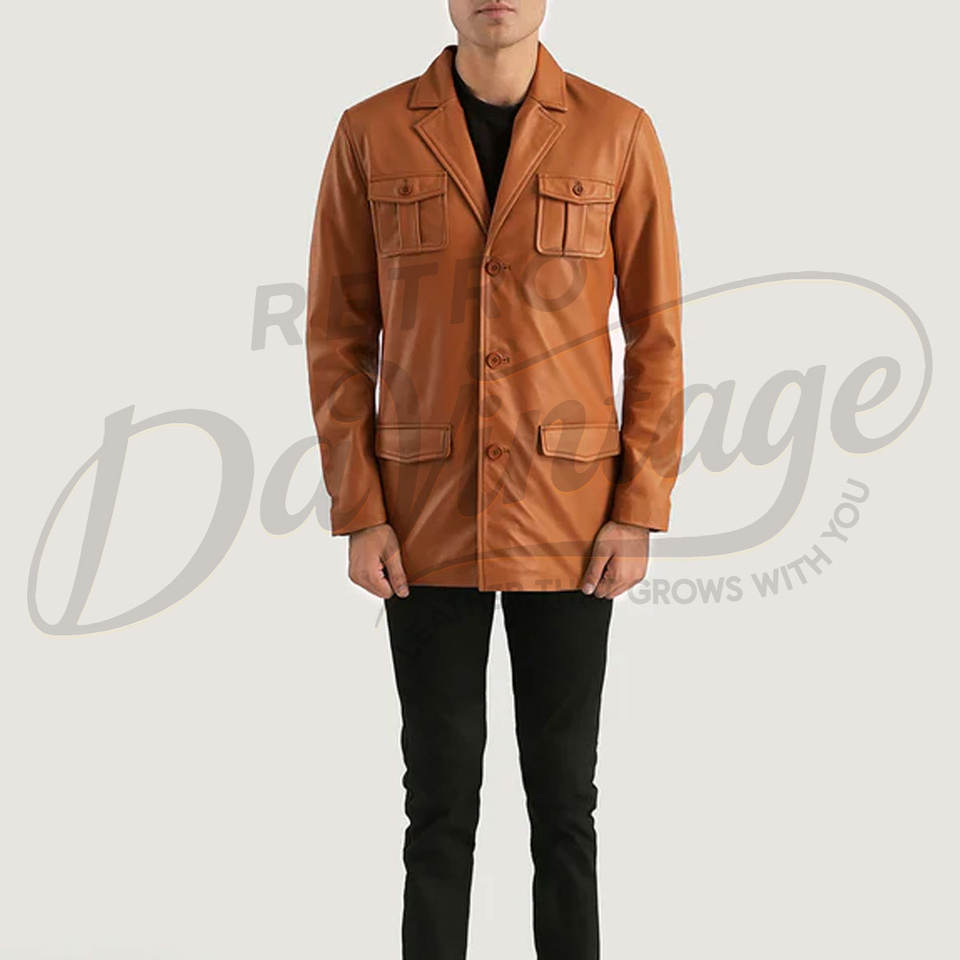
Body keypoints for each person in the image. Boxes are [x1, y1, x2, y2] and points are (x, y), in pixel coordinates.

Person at [306, 2, 683, 957]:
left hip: (573, 518)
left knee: (565, 802)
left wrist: (637, 508)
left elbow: (659, 336)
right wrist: (360, 510)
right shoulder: (370, 133)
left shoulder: (617, 131)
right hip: (420, 518)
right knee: (438, 803)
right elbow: (337, 337)